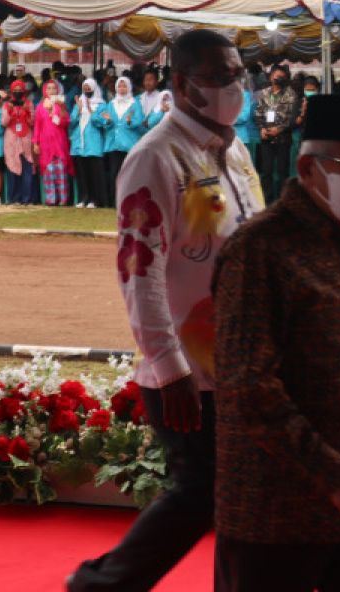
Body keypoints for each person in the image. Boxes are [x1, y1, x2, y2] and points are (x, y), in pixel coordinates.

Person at [68, 30, 263, 592]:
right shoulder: (155, 157)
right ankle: (99, 585)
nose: (234, 87)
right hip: (188, 371)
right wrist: (168, 364)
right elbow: (139, 270)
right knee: (197, 493)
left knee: (238, 496)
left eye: (237, 74)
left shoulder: (235, 150)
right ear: (180, 84)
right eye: (219, 77)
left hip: (243, 358)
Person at [211, 95, 340, 592]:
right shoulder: (260, 250)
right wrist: (333, 474)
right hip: (274, 511)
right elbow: (246, 387)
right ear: (307, 167)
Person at [97, 76, 145, 207]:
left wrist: (130, 121)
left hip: (129, 145)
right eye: (120, 86)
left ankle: (130, 202)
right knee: (114, 174)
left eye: (124, 86)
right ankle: (115, 202)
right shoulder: (111, 104)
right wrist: (107, 121)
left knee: (129, 175)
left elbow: (139, 120)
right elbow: (105, 121)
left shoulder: (135, 103)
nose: (122, 89)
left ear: (129, 87)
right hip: (114, 145)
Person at [255, 63, 298, 203]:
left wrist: (279, 129)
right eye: (275, 75)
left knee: (281, 173)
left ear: (285, 78)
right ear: (271, 76)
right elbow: (258, 113)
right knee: (266, 172)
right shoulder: (264, 93)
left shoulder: (290, 94)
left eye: (280, 76)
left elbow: (292, 118)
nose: (277, 78)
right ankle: (267, 201)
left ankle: (282, 201)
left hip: (283, 139)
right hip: (266, 138)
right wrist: (261, 128)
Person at [33, 79, 73, 207]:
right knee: (48, 170)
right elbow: (37, 126)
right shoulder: (39, 107)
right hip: (45, 143)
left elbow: (65, 123)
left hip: (59, 141)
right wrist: (36, 143)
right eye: (48, 88)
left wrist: (53, 113)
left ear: (57, 90)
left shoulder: (61, 105)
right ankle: (51, 199)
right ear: (44, 90)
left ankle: (63, 199)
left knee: (60, 169)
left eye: (53, 88)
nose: (51, 91)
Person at [70, 79, 107, 209]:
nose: (86, 90)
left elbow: (102, 123)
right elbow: (72, 123)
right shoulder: (79, 103)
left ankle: (94, 200)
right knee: (81, 173)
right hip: (79, 145)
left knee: (94, 174)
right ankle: (83, 198)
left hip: (94, 145)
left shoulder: (102, 105)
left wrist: (92, 112)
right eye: (84, 88)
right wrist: (79, 110)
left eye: (89, 88)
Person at [2, 79, 38, 205]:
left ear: (24, 91)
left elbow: (32, 122)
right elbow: (4, 123)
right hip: (11, 140)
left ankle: (27, 198)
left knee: (27, 168)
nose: (17, 92)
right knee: (13, 168)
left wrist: (27, 110)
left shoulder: (29, 103)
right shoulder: (7, 105)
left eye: (20, 90)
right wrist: (11, 111)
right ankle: (13, 198)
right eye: (15, 90)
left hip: (26, 139)